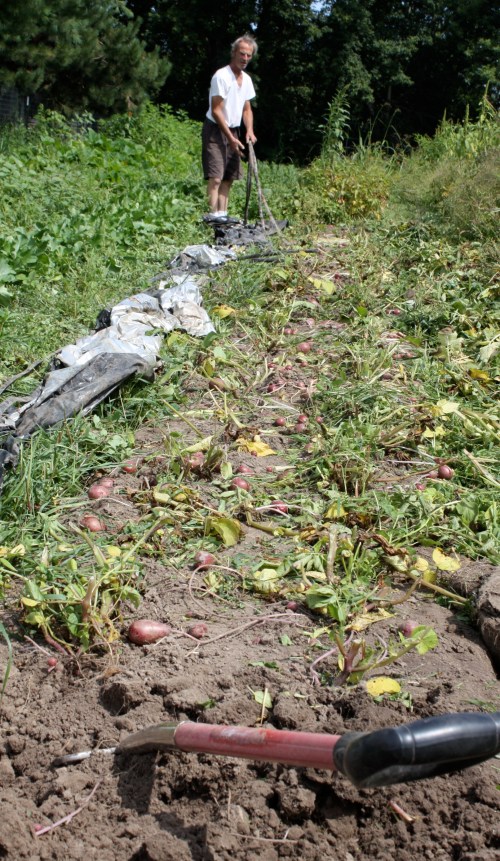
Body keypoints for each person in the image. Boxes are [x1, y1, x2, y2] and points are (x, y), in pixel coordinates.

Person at [202, 34, 257, 223]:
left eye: (249, 55)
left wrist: (249, 130)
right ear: (234, 52)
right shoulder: (221, 76)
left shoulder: (247, 80)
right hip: (216, 129)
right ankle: (211, 218)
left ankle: (222, 217)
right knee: (216, 177)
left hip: (234, 130)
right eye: (242, 54)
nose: (245, 59)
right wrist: (230, 139)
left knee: (228, 178)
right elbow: (217, 111)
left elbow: (247, 108)